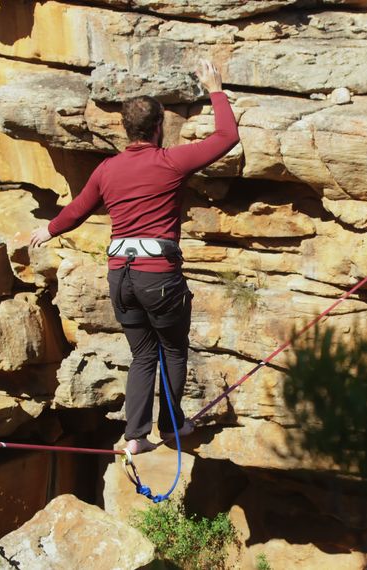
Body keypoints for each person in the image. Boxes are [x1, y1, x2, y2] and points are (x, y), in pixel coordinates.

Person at [29, 59, 240, 454]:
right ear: (158, 127)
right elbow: (227, 136)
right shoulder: (171, 162)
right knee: (173, 350)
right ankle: (173, 428)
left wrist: (49, 229)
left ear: (126, 129)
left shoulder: (108, 169)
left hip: (120, 277)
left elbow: (78, 209)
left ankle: (136, 438)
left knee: (143, 354)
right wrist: (215, 87)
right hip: (157, 276)